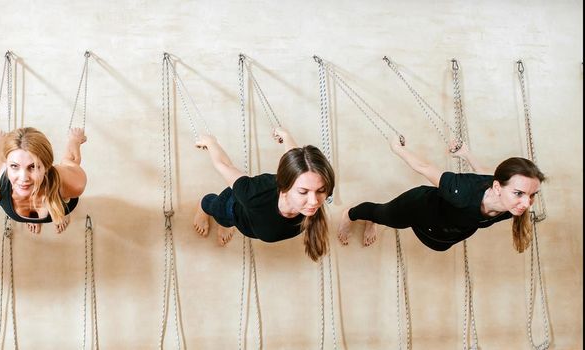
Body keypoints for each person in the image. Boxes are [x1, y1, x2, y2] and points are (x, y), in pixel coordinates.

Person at [337, 140, 545, 252]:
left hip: (444, 232)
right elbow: (424, 167)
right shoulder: (460, 191)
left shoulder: (511, 205)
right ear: (498, 188)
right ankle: (353, 214)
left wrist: (466, 154)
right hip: (419, 209)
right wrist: (397, 148)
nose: (526, 203)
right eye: (519, 193)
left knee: (440, 246)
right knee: (382, 214)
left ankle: (374, 219)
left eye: (532, 195)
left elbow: (484, 174)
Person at [192, 127, 335, 262]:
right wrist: (211, 143)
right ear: (285, 187)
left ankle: (226, 224)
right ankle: (204, 206)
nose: (314, 202)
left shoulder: (310, 183)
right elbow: (225, 166)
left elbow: (298, 161)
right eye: (303, 192)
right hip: (233, 208)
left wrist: (286, 136)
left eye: (321, 190)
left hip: (254, 219)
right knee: (218, 213)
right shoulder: (253, 195)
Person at [0, 127, 87, 234]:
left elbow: (71, 160)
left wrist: (75, 139)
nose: (23, 178)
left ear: (47, 167)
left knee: (58, 208)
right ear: (6, 165)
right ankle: (31, 218)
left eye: (33, 166)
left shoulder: (72, 183)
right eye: (14, 166)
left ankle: (57, 212)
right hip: (4, 175)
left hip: (61, 202)